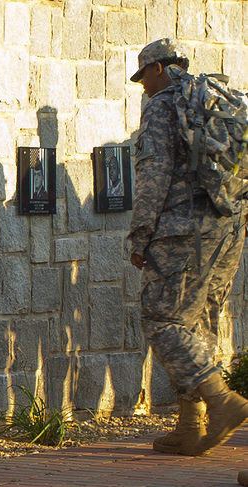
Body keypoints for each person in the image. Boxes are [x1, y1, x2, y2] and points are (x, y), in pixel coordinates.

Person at [127, 38, 248, 456]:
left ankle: (221, 402)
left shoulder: (162, 106)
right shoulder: (212, 103)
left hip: (183, 232)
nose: (142, 84)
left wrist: (140, 235)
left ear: (160, 68)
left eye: (144, 75)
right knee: (198, 323)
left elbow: (153, 176)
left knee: (161, 320)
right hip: (228, 228)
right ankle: (189, 425)